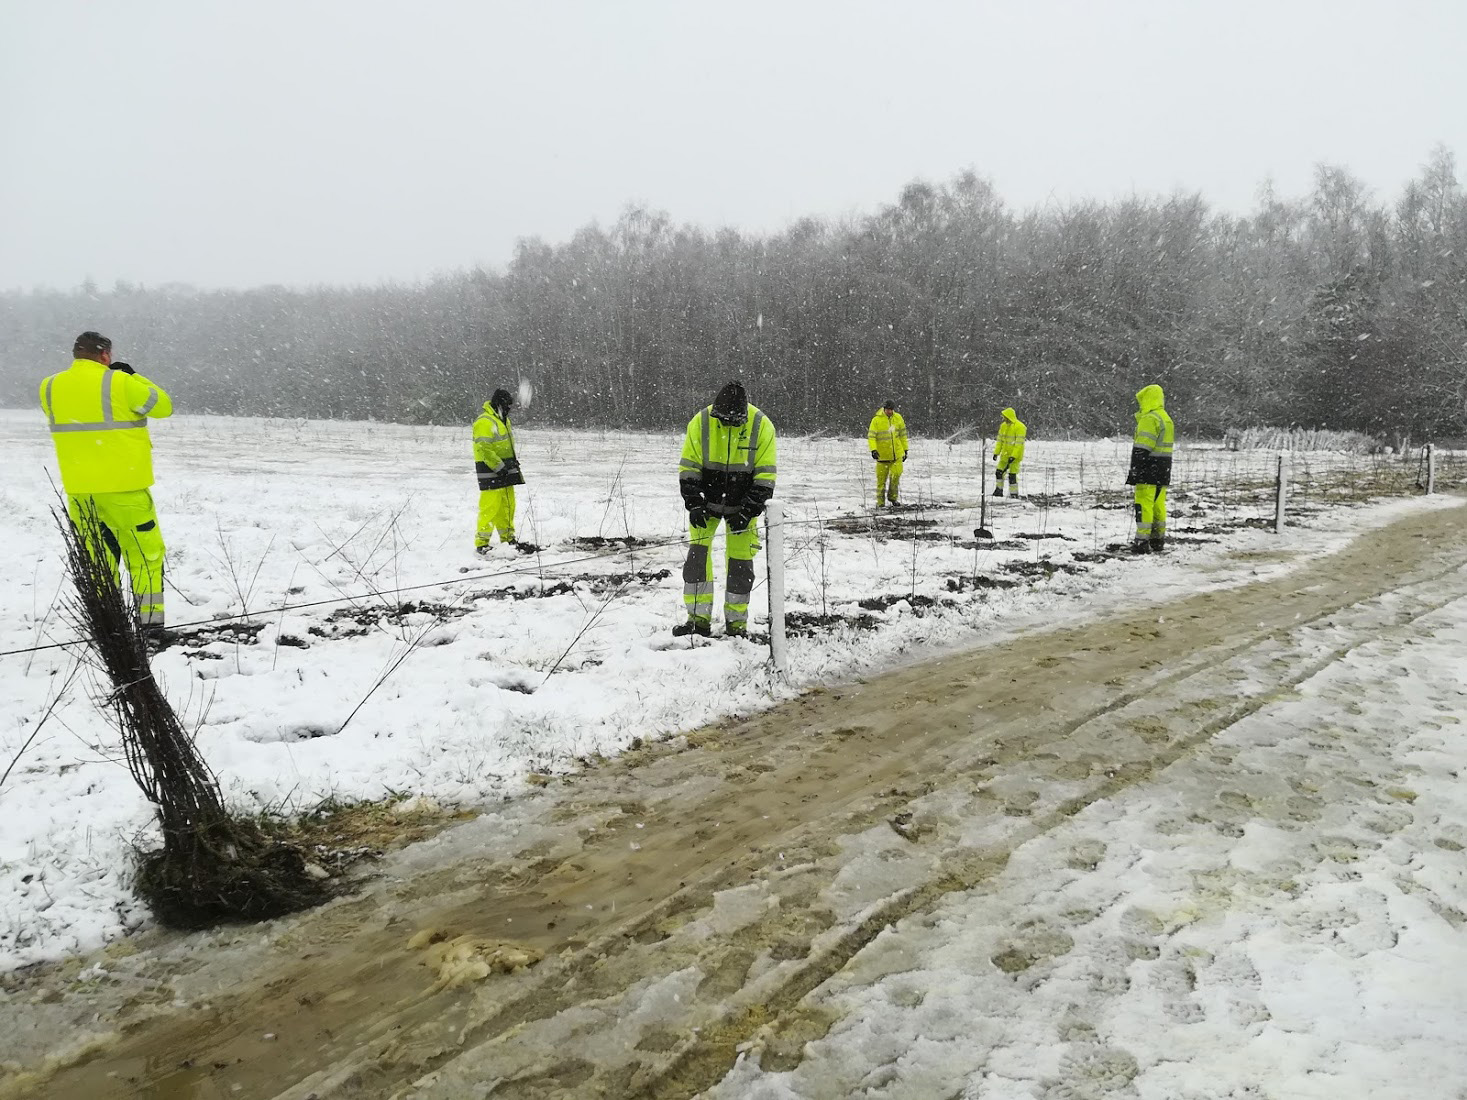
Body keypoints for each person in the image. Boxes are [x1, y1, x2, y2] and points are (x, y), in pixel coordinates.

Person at [40, 331, 173, 633]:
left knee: (98, 562)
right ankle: (150, 628)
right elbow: (163, 406)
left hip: (80, 492)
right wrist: (134, 376)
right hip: (124, 488)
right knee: (145, 557)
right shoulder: (122, 383)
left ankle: (109, 629)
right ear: (104, 355)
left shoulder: (49, 387)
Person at [675, 381, 777, 637]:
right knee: (697, 560)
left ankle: (737, 624)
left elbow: (765, 476)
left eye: (734, 421)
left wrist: (748, 511)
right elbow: (689, 467)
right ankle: (698, 622)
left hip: (742, 507)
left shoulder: (761, 425)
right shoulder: (701, 422)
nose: (729, 423)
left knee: (741, 565)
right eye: (724, 420)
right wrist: (694, 503)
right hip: (705, 504)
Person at [472, 388, 524, 553]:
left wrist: (510, 464)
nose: (509, 408)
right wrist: (498, 467)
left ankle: (508, 538)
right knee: (490, 507)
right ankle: (482, 543)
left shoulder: (503, 420)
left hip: (506, 468)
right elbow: (484, 449)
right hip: (489, 469)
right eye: (507, 404)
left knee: (507, 505)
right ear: (500, 404)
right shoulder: (484, 422)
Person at [1125, 383, 1175, 553]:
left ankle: (1141, 541)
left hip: (1148, 468)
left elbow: (1142, 448)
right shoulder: (1166, 418)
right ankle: (1158, 539)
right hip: (1163, 469)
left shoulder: (1150, 419)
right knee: (1158, 504)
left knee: (1143, 504)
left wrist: (1135, 471)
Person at [867, 399, 908, 508]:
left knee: (896, 475)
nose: (890, 411)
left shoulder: (898, 418)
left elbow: (903, 435)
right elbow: (871, 437)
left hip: (897, 455)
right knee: (881, 481)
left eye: (891, 409)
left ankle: (893, 498)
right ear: (884, 409)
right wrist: (873, 450)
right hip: (882, 456)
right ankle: (880, 503)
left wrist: (905, 449)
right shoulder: (876, 420)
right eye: (888, 409)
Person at [992, 406, 1026, 497]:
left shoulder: (1020, 427)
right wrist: (996, 452)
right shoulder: (1003, 426)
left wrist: (1013, 456)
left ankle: (1014, 494)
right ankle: (998, 491)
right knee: (999, 472)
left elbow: (1019, 444)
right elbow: (1000, 441)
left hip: (1015, 457)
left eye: (1005, 417)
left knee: (1012, 475)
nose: (1004, 419)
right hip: (1005, 455)